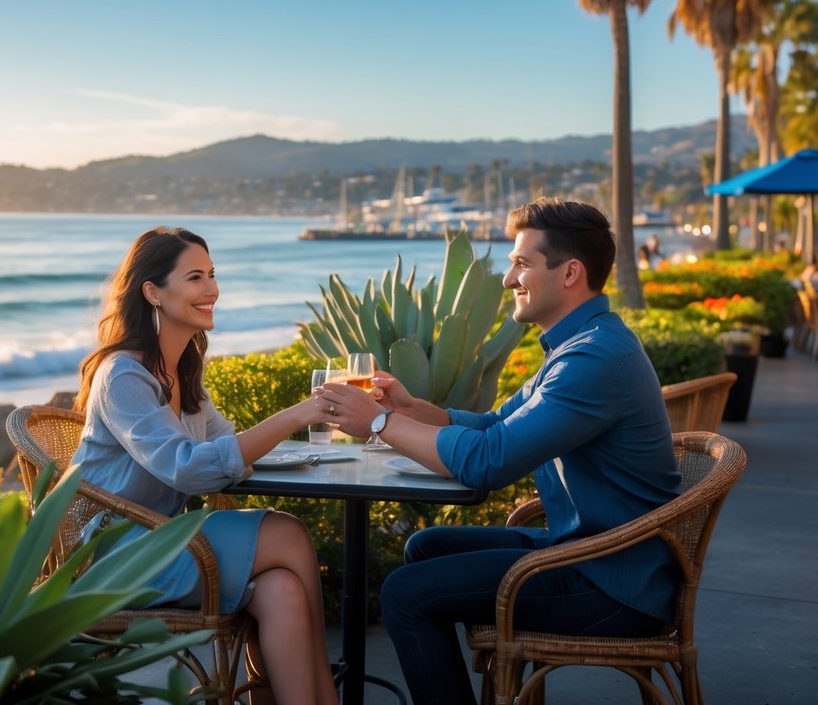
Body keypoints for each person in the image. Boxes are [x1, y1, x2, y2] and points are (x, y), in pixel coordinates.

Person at [317, 198, 681, 705]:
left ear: (570, 272)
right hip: (596, 552)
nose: (509, 279)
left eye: (522, 263)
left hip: (613, 582)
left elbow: (490, 462)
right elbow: (494, 426)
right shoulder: (579, 344)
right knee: (426, 548)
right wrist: (411, 406)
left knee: (406, 594)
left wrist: (379, 422)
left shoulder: (594, 358)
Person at [72, 227, 338, 705]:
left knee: (281, 591)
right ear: (152, 291)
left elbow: (223, 446)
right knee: (289, 533)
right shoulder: (122, 376)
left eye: (212, 275)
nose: (212, 289)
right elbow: (190, 469)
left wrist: (255, 455)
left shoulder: (183, 371)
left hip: (165, 538)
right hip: (118, 552)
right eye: (195, 277)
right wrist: (301, 412)